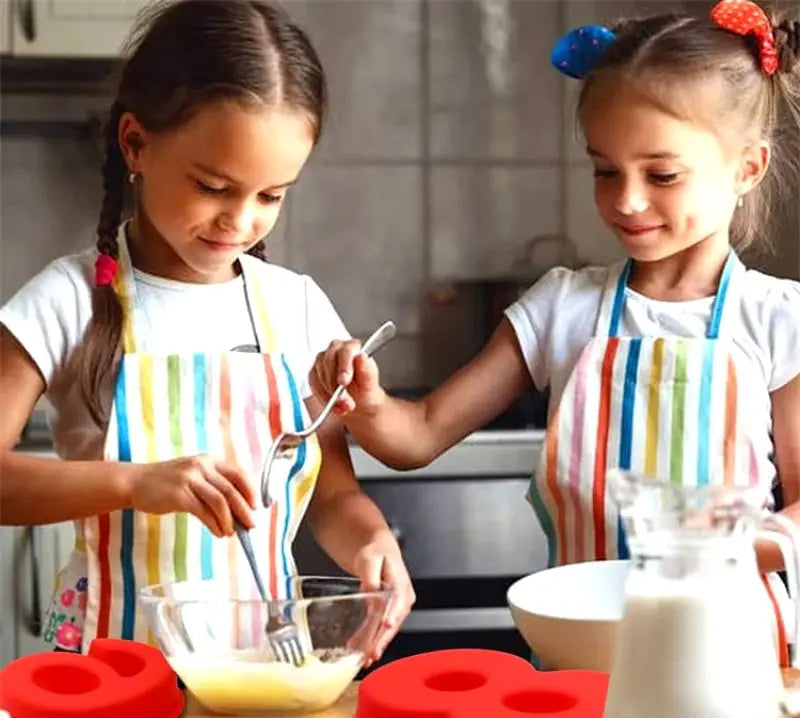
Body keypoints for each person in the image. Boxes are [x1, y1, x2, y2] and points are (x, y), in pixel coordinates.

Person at [310, 0, 800, 663]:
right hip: (582, 659)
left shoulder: (777, 319)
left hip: (732, 657)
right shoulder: (561, 308)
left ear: (747, 167)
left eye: (661, 175)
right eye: (605, 170)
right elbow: (417, 434)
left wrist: (720, 546)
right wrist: (365, 403)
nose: (626, 200)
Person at [0, 0, 414, 665]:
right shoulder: (68, 301)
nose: (241, 221)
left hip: (261, 668)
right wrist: (133, 483)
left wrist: (370, 541)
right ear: (135, 143)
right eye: (214, 186)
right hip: (108, 674)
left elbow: (334, 496)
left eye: (271, 196)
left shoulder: (297, 309)